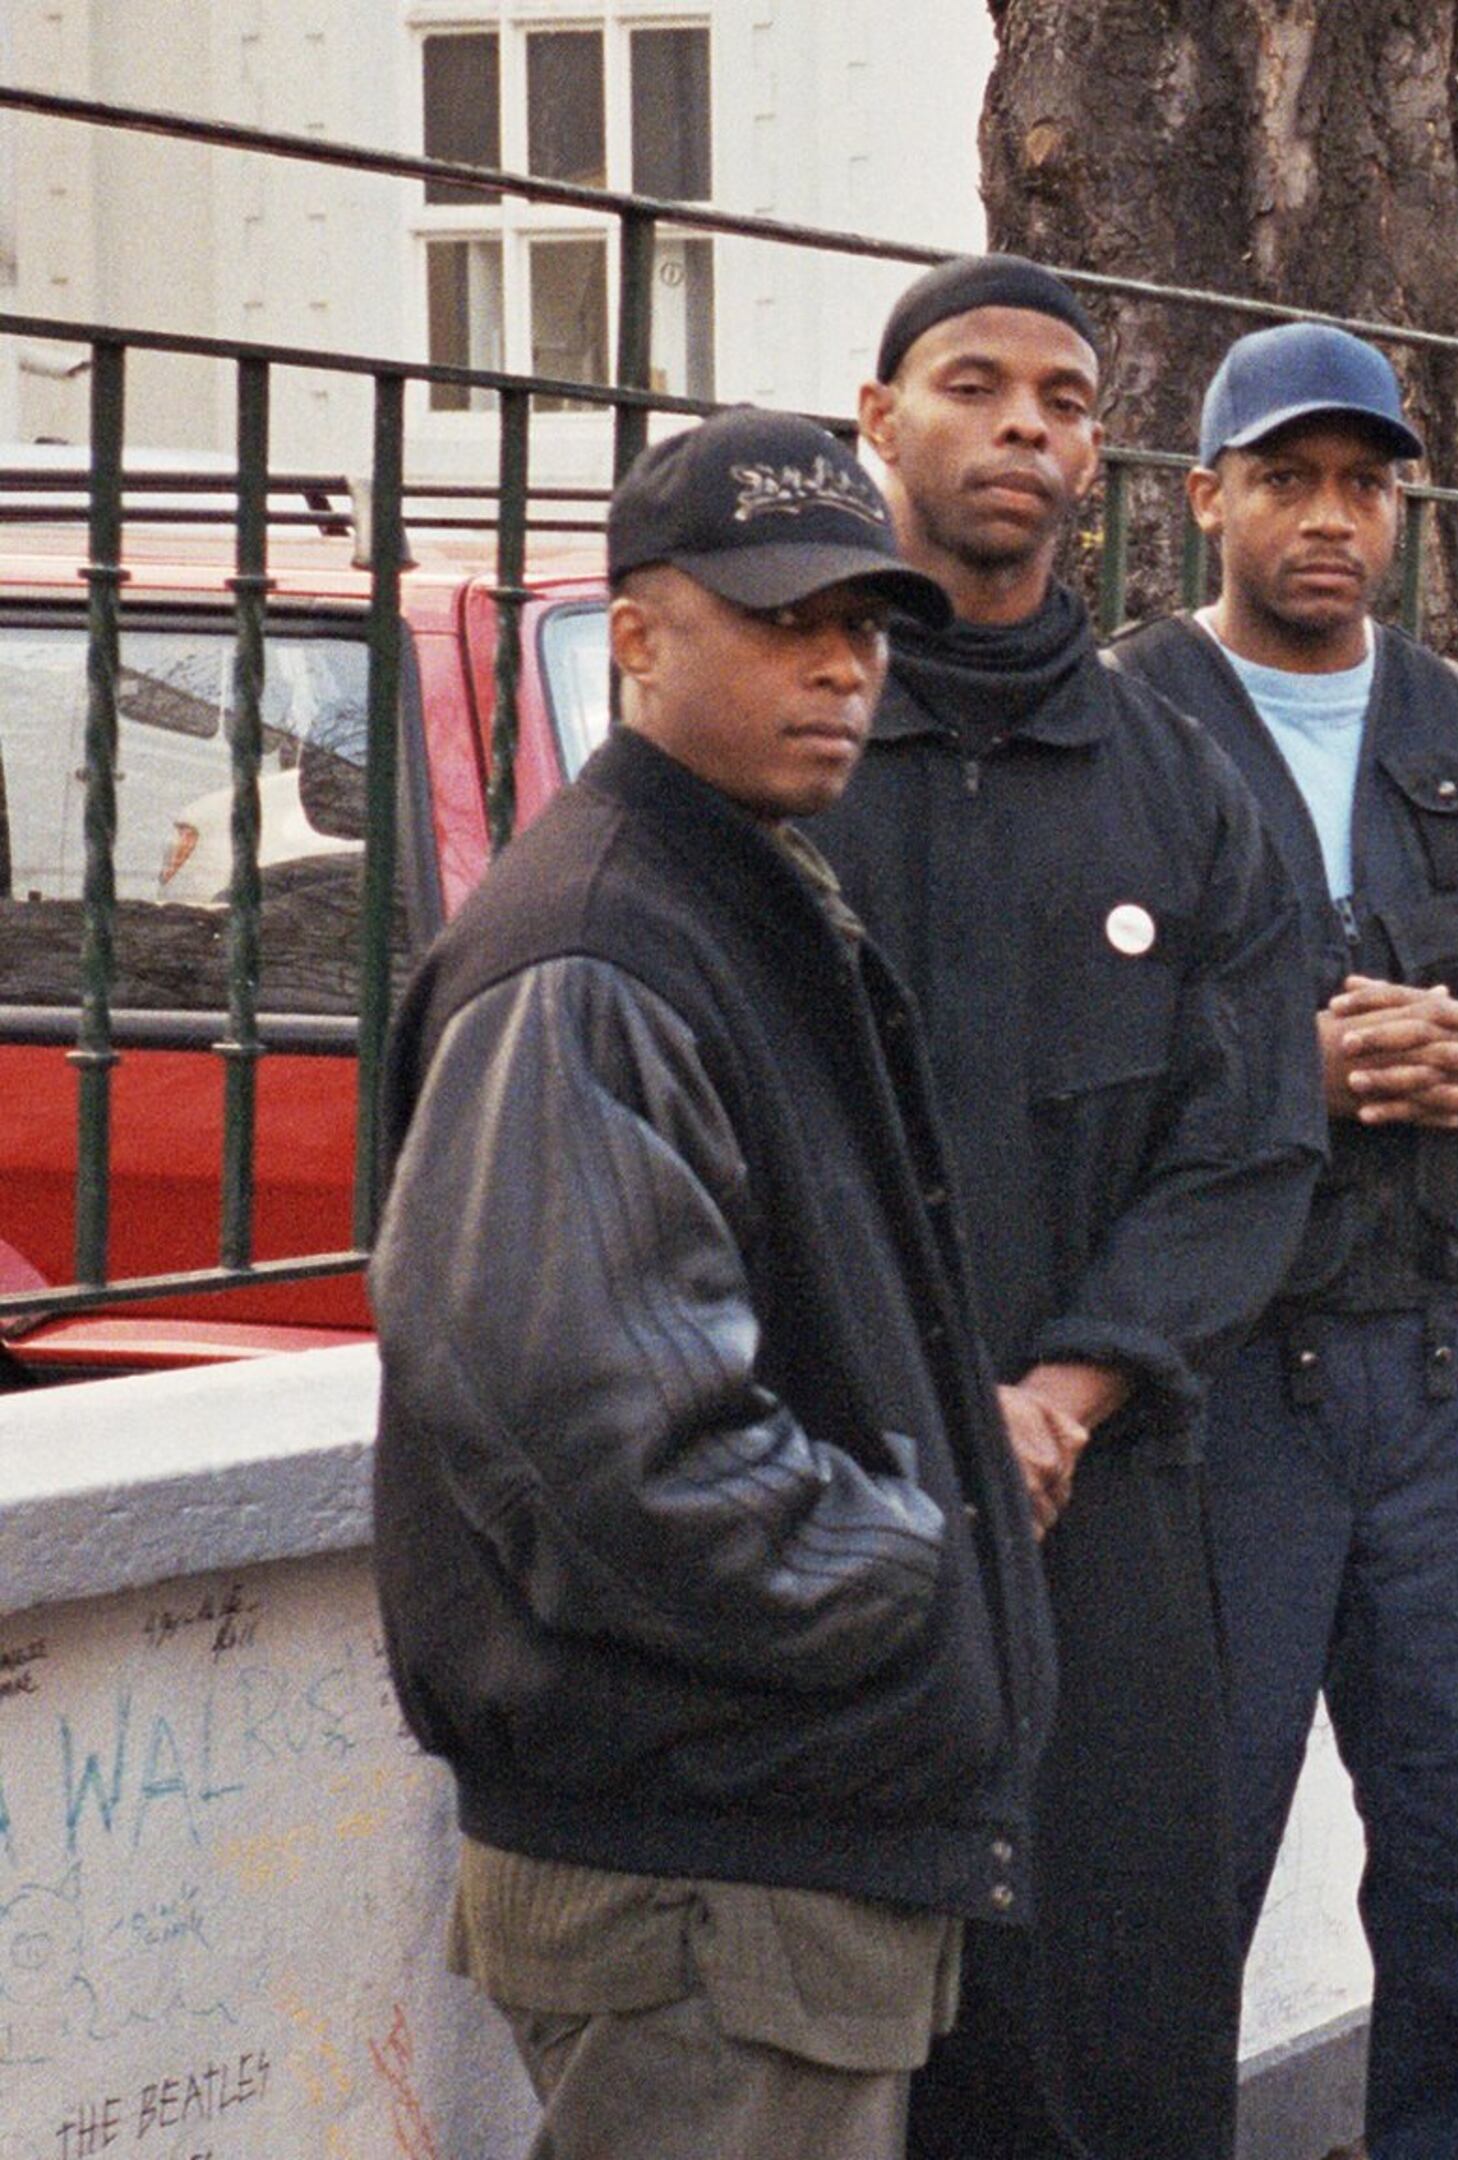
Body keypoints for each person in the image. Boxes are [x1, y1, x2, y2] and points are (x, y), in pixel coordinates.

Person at [369, 407, 1051, 2160]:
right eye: (783, 620)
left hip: (752, 1850)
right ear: (640, 638)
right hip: (708, 1873)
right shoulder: (596, 946)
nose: (841, 667)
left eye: (865, 625)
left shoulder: (729, 891)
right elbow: (595, 1438)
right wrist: (909, 1567)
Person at [797, 255, 1323, 2160]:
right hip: (836, 1494)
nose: (1023, 425)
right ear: (881, 420)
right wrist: (936, 1412)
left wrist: (1068, 1393)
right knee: (856, 2026)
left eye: (1065, 400)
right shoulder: (791, 761)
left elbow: (1250, 1141)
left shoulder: (1180, 786)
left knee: (1117, 2017)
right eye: (974, 386)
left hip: (1104, 1516)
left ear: (1098, 455)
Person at [1105, 320, 1458, 2160]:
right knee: (1175, 1868)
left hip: (1455, 1365)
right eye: (1286, 480)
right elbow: (1057, 1087)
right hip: (1218, 1388)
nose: (1329, 518)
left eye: (1363, 485)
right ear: (1205, 499)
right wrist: (1293, 1074)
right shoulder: (1121, 725)